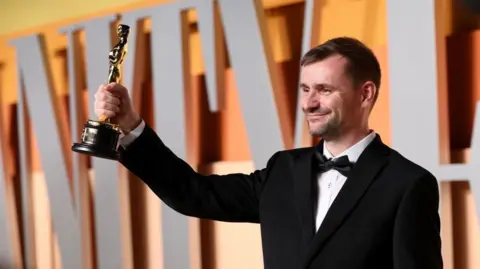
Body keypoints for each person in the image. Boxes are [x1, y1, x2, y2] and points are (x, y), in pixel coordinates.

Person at [94, 37, 443, 269]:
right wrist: (130, 124)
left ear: (366, 94)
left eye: (323, 89)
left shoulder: (408, 184)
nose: (308, 102)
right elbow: (193, 194)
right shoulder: (283, 169)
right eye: (305, 88)